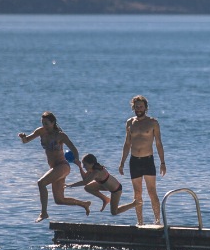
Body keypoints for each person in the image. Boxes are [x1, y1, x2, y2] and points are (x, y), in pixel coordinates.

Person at [19, 111, 90, 222]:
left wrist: (76, 160)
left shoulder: (60, 135)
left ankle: (44, 213)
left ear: (53, 123)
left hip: (63, 166)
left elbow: (74, 149)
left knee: (41, 183)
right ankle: (84, 204)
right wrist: (23, 137)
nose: (44, 126)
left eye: (46, 123)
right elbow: (26, 140)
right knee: (59, 200)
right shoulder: (40, 131)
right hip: (54, 168)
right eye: (43, 123)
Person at [118, 95, 166, 225]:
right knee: (137, 193)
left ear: (146, 107)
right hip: (134, 161)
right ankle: (140, 222)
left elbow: (159, 144)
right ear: (133, 107)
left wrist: (162, 162)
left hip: (148, 161)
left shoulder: (153, 122)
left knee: (152, 192)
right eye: (136, 106)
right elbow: (127, 144)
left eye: (141, 106)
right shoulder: (129, 122)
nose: (139, 109)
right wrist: (122, 162)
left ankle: (157, 221)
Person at [69, 153, 142, 223]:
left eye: (85, 164)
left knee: (114, 212)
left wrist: (71, 185)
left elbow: (85, 181)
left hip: (116, 190)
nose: (84, 166)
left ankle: (134, 204)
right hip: (105, 186)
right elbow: (85, 178)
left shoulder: (96, 172)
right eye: (83, 165)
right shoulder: (92, 169)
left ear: (91, 164)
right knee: (88, 188)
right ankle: (105, 199)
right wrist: (79, 167)